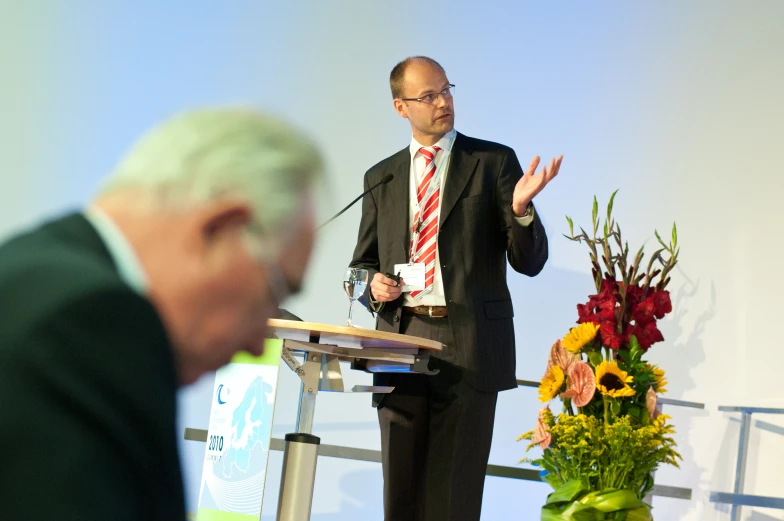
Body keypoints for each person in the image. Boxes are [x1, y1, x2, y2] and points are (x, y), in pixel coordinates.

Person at [0, 108, 323, 520]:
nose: (258, 341)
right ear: (221, 229)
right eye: (274, 290)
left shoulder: (32, 268)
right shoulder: (92, 323)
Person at [349, 56, 562, 521]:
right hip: (399, 347)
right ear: (400, 107)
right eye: (428, 95)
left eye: (446, 90)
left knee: (454, 501)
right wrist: (374, 287)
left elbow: (530, 262)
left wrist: (523, 211)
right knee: (401, 498)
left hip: (466, 347)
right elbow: (361, 266)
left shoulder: (491, 162)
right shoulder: (381, 178)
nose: (443, 102)